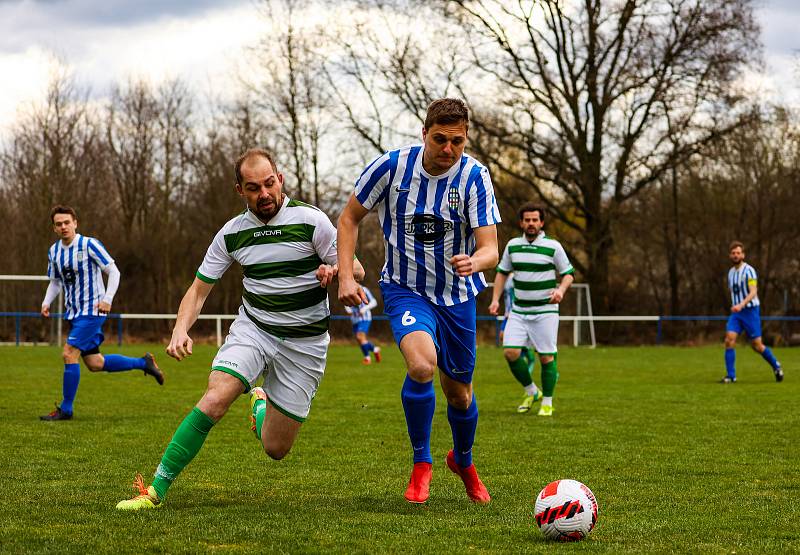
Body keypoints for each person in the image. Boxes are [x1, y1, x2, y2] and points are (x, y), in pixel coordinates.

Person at [116, 148, 364, 510]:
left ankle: (259, 405)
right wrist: (180, 329)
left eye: (269, 183)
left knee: (276, 448)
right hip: (255, 329)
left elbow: (356, 269)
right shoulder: (232, 234)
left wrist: (336, 270)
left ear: (280, 179)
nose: (264, 193)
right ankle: (154, 490)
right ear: (240, 191)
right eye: (253, 188)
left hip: (305, 342)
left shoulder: (312, 221)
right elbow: (199, 289)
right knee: (215, 399)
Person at [337, 98, 500, 505]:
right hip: (405, 288)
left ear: (466, 140)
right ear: (424, 132)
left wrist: (474, 260)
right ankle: (421, 462)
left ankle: (462, 460)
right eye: (440, 139)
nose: (448, 149)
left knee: (460, 394)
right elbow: (348, 218)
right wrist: (344, 275)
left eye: (457, 142)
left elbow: (490, 249)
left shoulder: (476, 177)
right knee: (422, 364)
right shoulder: (391, 167)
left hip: (458, 296)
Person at [39, 205, 164, 421]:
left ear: (75, 223)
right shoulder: (54, 252)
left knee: (69, 354)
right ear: (54, 228)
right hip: (74, 313)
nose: (63, 227)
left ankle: (66, 410)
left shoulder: (89, 245)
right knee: (95, 363)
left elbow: (113, 271)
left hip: (92, 311)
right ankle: (143, 363)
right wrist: (46, 302)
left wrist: (107, 299)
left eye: (67, 222)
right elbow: (56, 282)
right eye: (58, 224)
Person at [489, 204, 574, 416]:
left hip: (545, 311)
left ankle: (547, 401)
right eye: (527, 220)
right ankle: (532, 391)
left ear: (541, 223)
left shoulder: (553, 246)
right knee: (510, 352)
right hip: (518, 311)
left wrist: (561, 291)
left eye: (535, 220)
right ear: (521, 223)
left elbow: (568, 274)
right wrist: (495, 300)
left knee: (546, 357)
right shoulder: (512, 246)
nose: (531, 224)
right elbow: (501, 273)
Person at [721, 241, 783, 383]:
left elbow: (753, 291)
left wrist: (741, 304)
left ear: (743, 255)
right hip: (737, 313)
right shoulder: (731, 273)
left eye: (738, 253)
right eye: (733, 253)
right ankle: (731, 376)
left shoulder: (749, 270)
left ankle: (776, 365)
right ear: (730, 255)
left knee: (757, 345)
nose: (736, 255)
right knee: (729, 339)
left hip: (750, 311)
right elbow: (732, 291)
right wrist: (736, 305)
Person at [344, 285, 382, 364]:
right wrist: (348, 309)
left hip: (365, 318)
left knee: (360, 336)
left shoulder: (364, 289)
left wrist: (364, 309)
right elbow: (345, 301)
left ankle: (367, 358)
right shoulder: (347, 289)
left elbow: (374, 302)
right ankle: (375, 349)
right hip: (354, 319)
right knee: (360, 339)